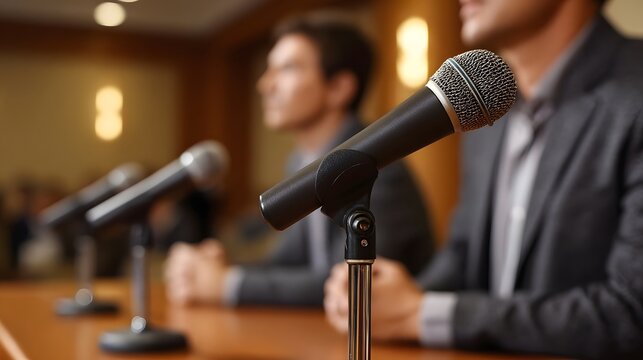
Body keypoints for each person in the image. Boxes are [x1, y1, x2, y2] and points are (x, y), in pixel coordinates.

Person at [324, 0, 643, 358]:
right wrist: (395, 299)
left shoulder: (634, 93)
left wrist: (424, 313)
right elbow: (463, 258)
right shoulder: (484, 111)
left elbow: (631, 312)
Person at [164, 15, 435, 307]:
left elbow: (350, 281)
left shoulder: (379, 164)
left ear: (339, 88)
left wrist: (228, 284)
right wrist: (218, 271)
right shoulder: (299, 162)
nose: (265, 84)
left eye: (288, 68)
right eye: (269, 69)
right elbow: (290, 263)